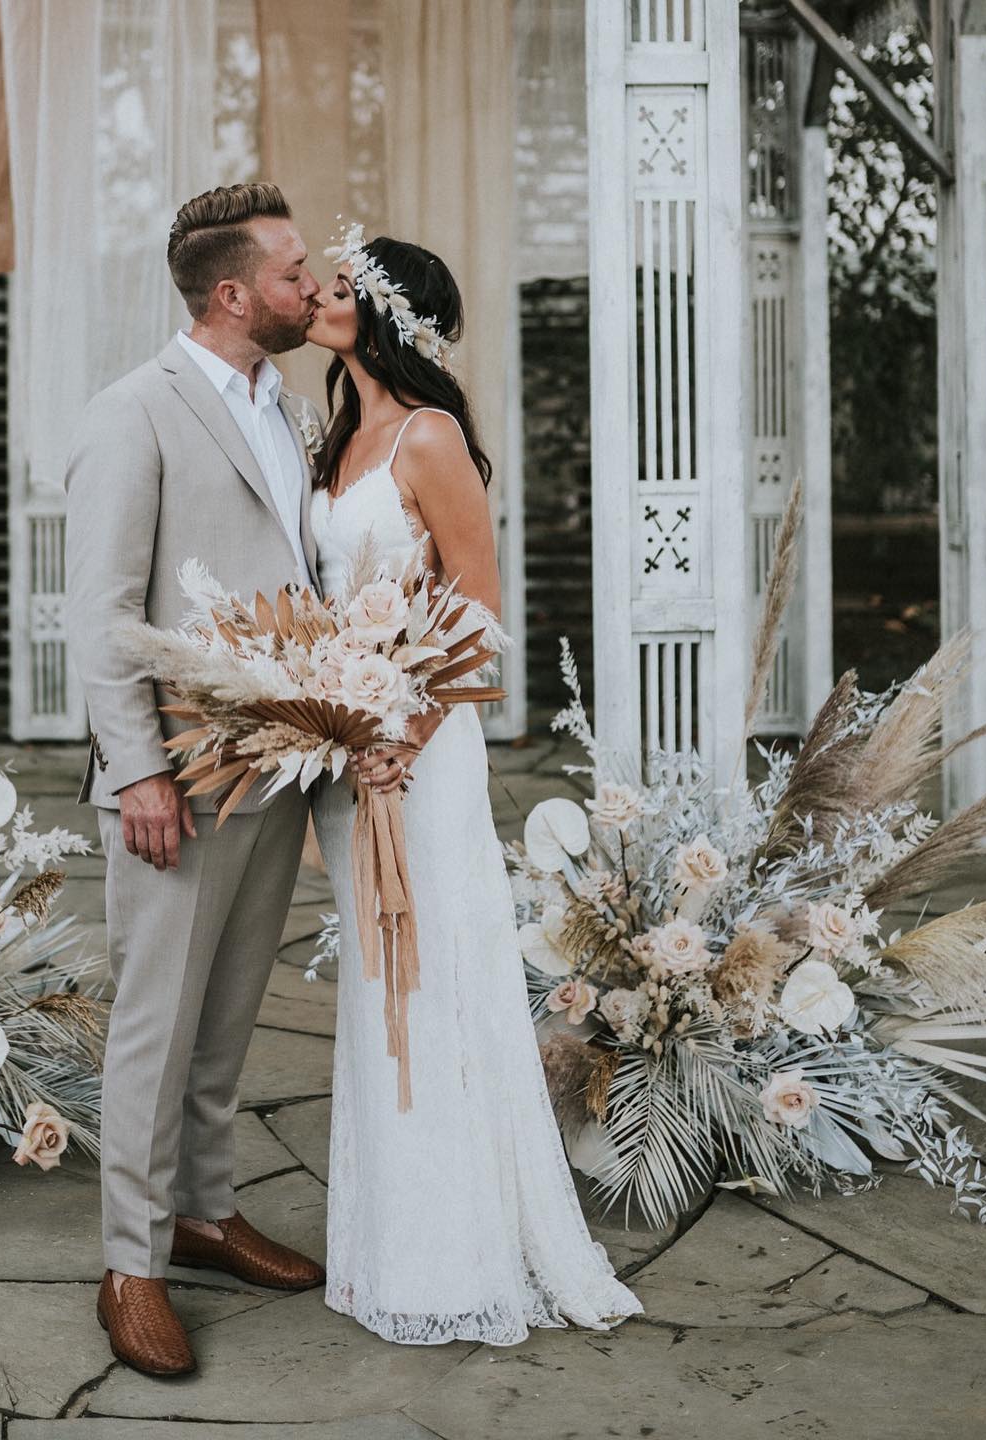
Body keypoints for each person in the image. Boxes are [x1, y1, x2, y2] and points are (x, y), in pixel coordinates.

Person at [304, 227, 643, 1345]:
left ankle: (453, 1257)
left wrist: (402, 729)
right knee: (374, 986)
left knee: (432, 978)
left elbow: (479, 620)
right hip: (353, 748)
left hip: (421, 748)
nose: (317, 293)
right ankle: (385, 1242)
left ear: (390, 315)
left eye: (340, 286)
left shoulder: (428, 436)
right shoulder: (338, 433)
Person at [65, 183, 327, 1378]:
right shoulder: (136, 413)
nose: (314, 286)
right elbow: (106, 617)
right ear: (232, 294)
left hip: (270, 773)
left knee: (226, 1018)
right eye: (293, 270)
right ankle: (131, 1263)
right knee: (153, 1028)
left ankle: (206, 1211)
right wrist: (137, 774)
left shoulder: (289, 404)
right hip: (175, 779)